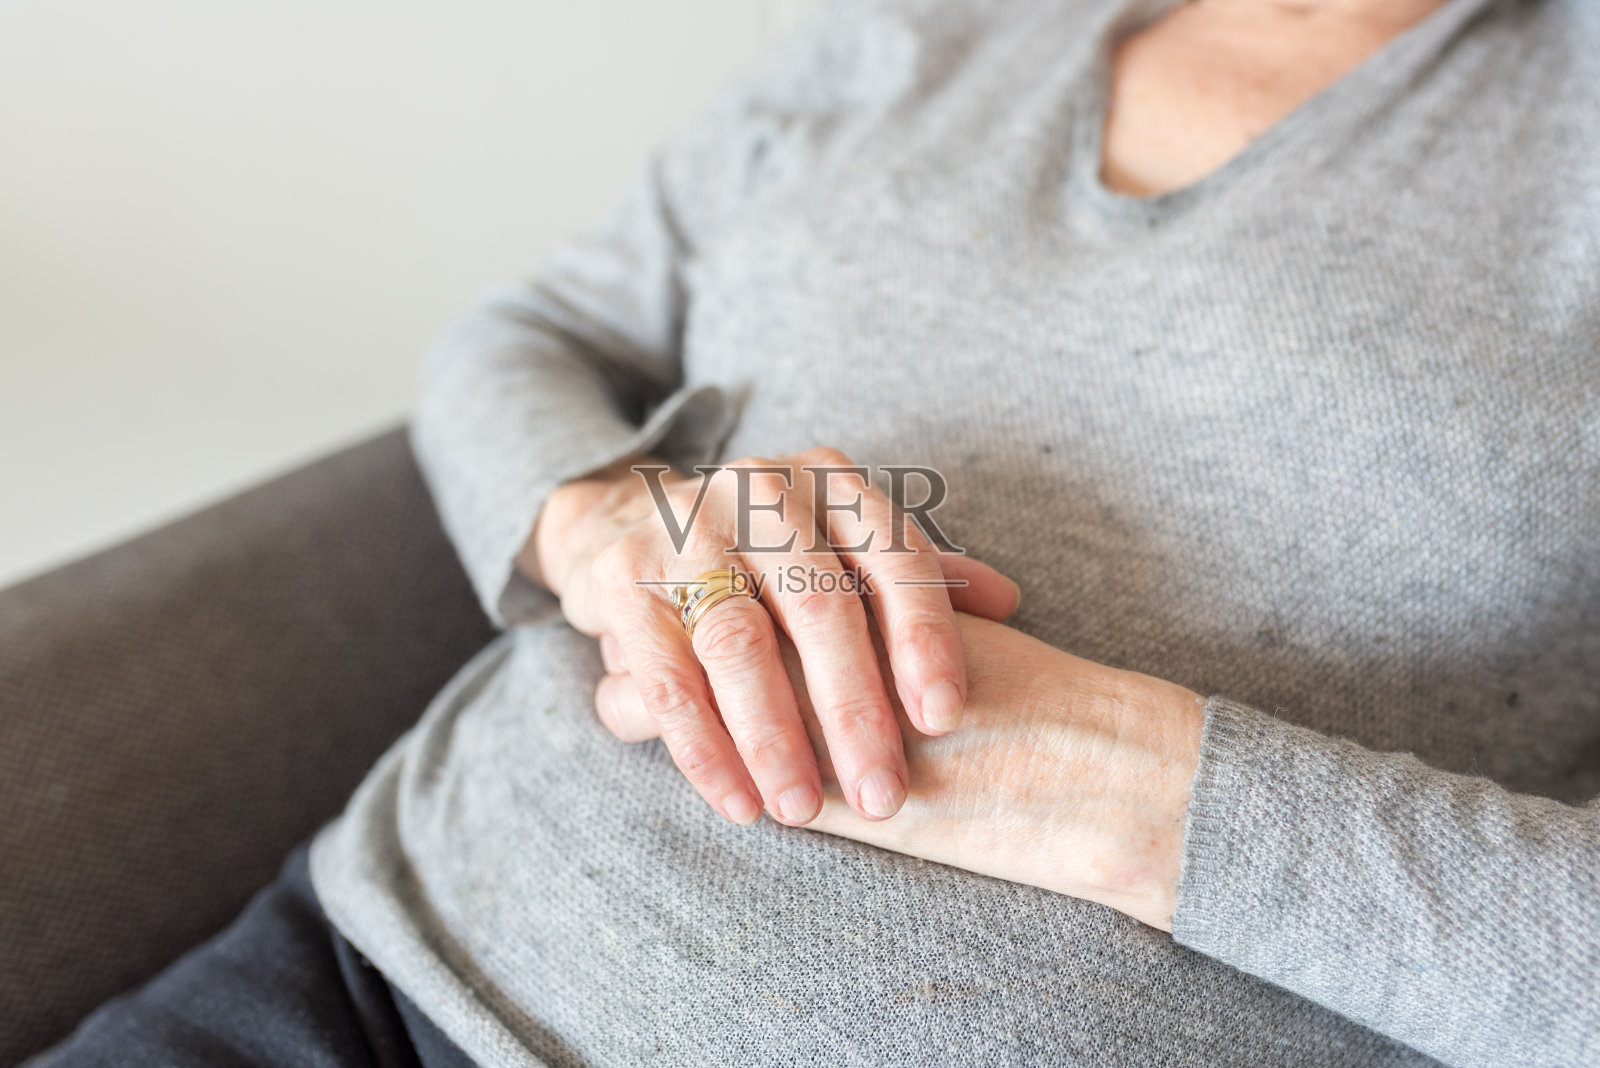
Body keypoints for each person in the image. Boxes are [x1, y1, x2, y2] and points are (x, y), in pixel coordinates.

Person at [32, 0, 1600, 1065]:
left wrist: (1122, 786)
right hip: (370, 967)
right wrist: (602, 526)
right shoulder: (916, 29)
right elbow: (536, 327)